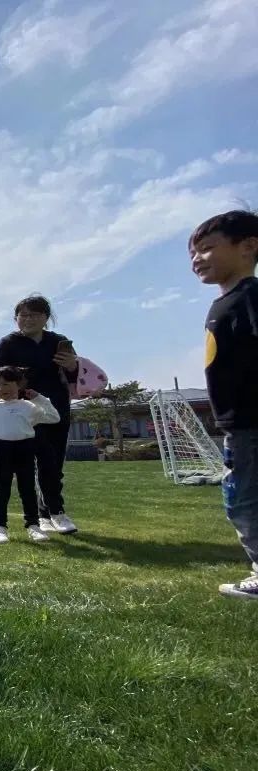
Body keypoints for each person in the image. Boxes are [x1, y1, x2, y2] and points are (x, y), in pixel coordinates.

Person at [189, 210, 258, 600]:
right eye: (193, 253)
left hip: (252, 422)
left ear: (248, 246)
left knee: (243, 500)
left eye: (207, 248)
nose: (197, 259)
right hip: (240, 424)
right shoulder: (226, 302)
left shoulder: (250, 298)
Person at [0, 295, 79, 535]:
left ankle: (48, 513)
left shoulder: (58, 341)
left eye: (34, 315)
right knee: (39, 461)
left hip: (55, 406)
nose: (28, 319)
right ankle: (55, 512)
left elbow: (73, 378)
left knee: (54, 462)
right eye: (23, 315)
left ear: (46, 318)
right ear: (16, 319)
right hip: (24, 409)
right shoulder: (8, 343)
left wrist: (72, 365)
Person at [0, 366, 60, 544]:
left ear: (19, 384)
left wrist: (39, 398)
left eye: (6, 384)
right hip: (1, 449)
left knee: (27, 488)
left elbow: (54, 417)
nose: (2, 389)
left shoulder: (28, 406)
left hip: (25, 448)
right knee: (1, 489)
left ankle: (33, 526)